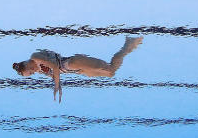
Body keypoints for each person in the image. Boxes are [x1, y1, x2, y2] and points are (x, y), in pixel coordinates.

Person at [12, 36, 143, 102]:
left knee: (110, 69)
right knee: (111, 73)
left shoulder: (35, 58)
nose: (33, 72)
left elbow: (54, 67)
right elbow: (54, 74)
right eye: (31, 74)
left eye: (30, 72)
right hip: (77, 71)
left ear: (27, 65)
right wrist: (57, 83)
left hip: (73, 63)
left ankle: (128, 46)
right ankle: (128, 45)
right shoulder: (38, 69)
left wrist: (57, 85)